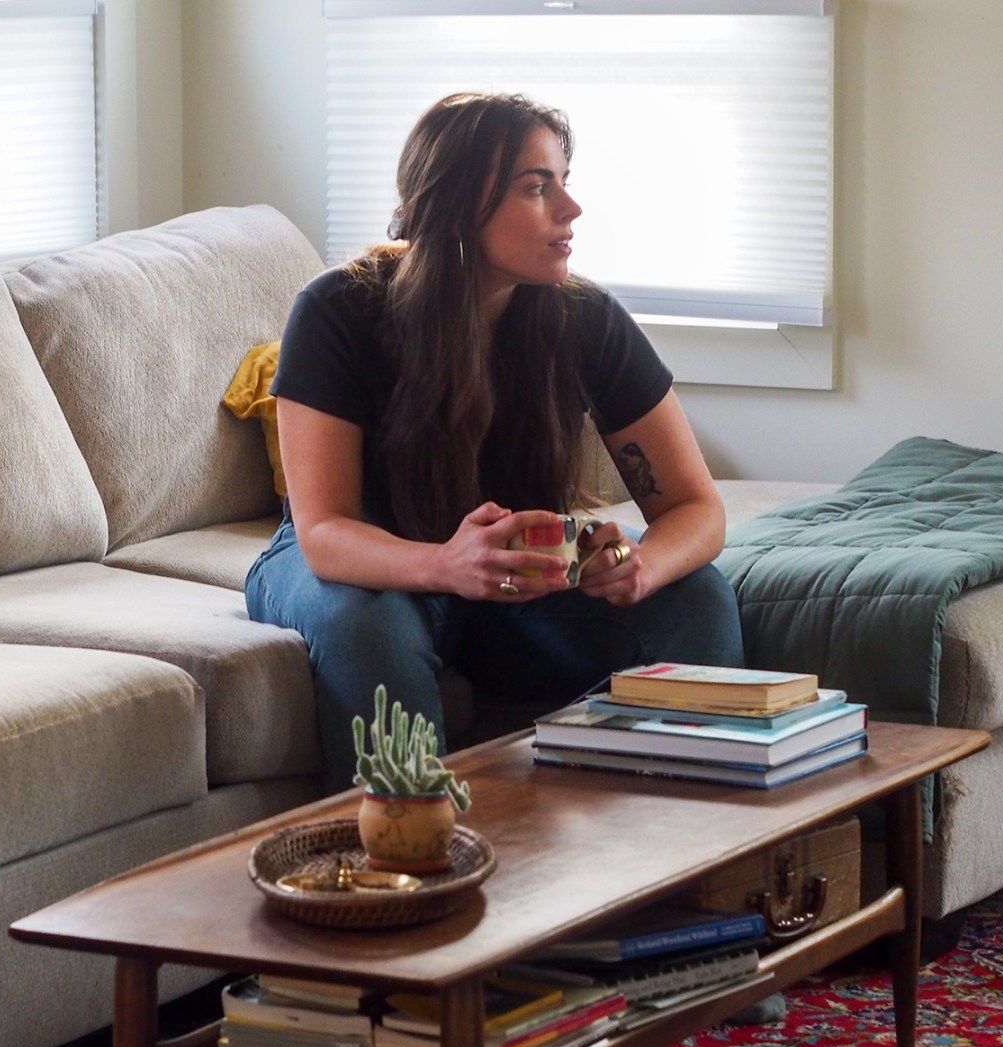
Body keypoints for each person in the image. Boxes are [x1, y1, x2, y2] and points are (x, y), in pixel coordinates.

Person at [246, 91, 743, 789]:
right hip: (357, 566)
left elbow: (697, 509)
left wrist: (640, 566)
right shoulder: (339, 310)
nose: (570, 210)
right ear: (458, 202)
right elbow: (325, 530)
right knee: (372, 626)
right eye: (538, 188)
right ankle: (407, 870)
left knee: (698, 595)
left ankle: (681, 850)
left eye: (564, 184)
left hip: (507, 587)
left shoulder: (584, 318)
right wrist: (445, 565)